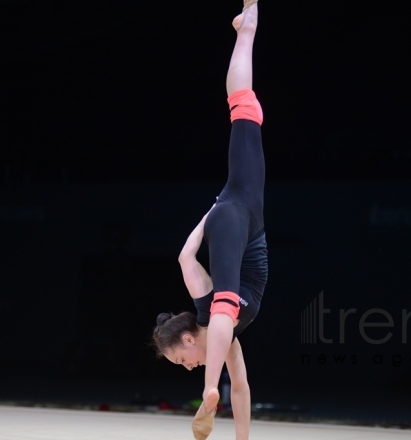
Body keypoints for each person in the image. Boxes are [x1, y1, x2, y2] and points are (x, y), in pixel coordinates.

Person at [152, 1, 266, 439]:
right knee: (244, 109)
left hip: (234, 214)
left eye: (183, 360)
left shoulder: (209, 309)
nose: (187, 363)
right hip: (240, 212)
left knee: (225, 304)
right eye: (190, 369)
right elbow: (184, 256)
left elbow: (187, 261)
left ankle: (207, 392)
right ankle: (246, 28)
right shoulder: (218, 329)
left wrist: (217, 210)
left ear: (186, 341)